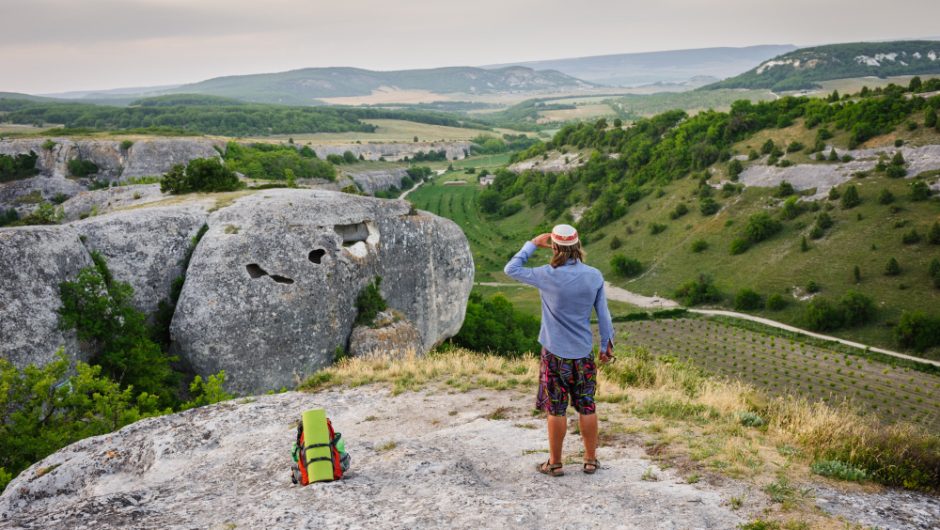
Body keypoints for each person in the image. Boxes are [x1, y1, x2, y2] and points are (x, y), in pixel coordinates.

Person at [504, 224, 614, 477]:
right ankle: (589, 460)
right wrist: (607, 344)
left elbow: (511, 269)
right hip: (583, 352)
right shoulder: (594, 275)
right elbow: (604, 315)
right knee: (587, 405)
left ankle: (554, 463)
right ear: (578, 246)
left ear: (554, 247)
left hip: (554, 353)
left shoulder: (545, 274)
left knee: (556, 408)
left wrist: (532, 243)